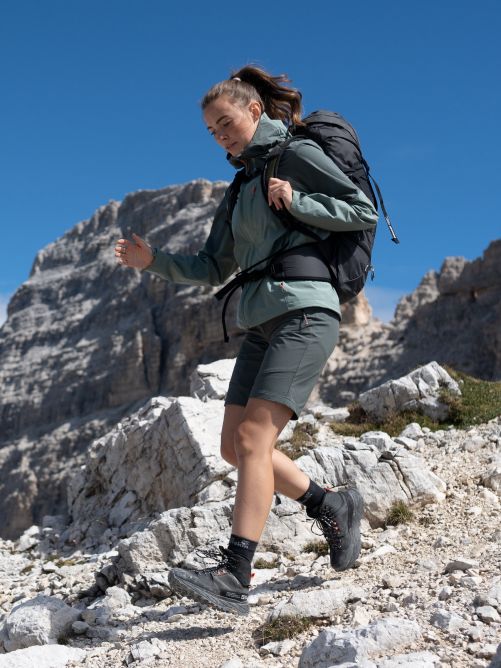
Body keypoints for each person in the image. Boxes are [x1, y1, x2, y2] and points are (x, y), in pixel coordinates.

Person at [115, 65, 378, 616]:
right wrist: (153, 261)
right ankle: (332, 504)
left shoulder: (296, 156)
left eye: (225, 123)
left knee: (256, 441)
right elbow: (213, 265)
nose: (220, 136)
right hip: (261, 321)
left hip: (306, 309)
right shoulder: (239, 189)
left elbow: (361, 210)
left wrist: (299, 201)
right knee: (233, 446)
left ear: (254, 111)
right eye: (211, 131)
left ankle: (235, 573)